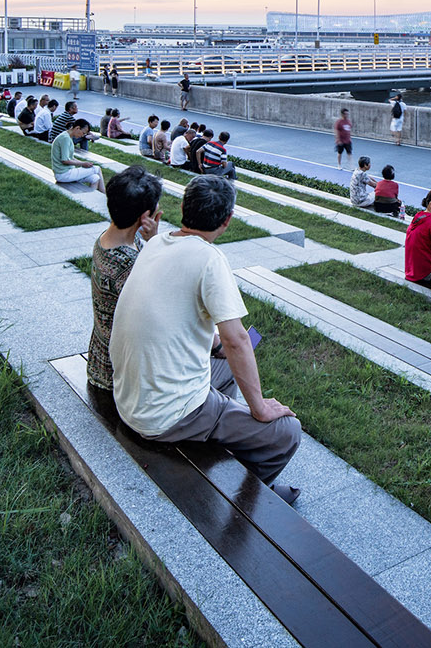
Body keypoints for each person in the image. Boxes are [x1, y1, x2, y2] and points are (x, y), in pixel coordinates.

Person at [108, 176, 301, 501]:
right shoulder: (210, 259)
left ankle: (221, 437)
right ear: (227, 221)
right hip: (163, 415)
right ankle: (256, 497)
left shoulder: (154, 243)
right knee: (286, 432)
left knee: (227, 370)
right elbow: (237, 341)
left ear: (183, 207)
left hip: (129, 398)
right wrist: (260, 409)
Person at [52, 119, 106, 192]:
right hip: (63, 174)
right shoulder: (65, 138)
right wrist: (82, 164)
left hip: (68, 172)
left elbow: (71, 158)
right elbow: (65, 160)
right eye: (83, 133)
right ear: (77, 128)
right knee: (97, 169)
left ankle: (90, 197)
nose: (82, 136)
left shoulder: (68, 137)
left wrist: (83, 163)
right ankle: (104, 194)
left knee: (95, 178)